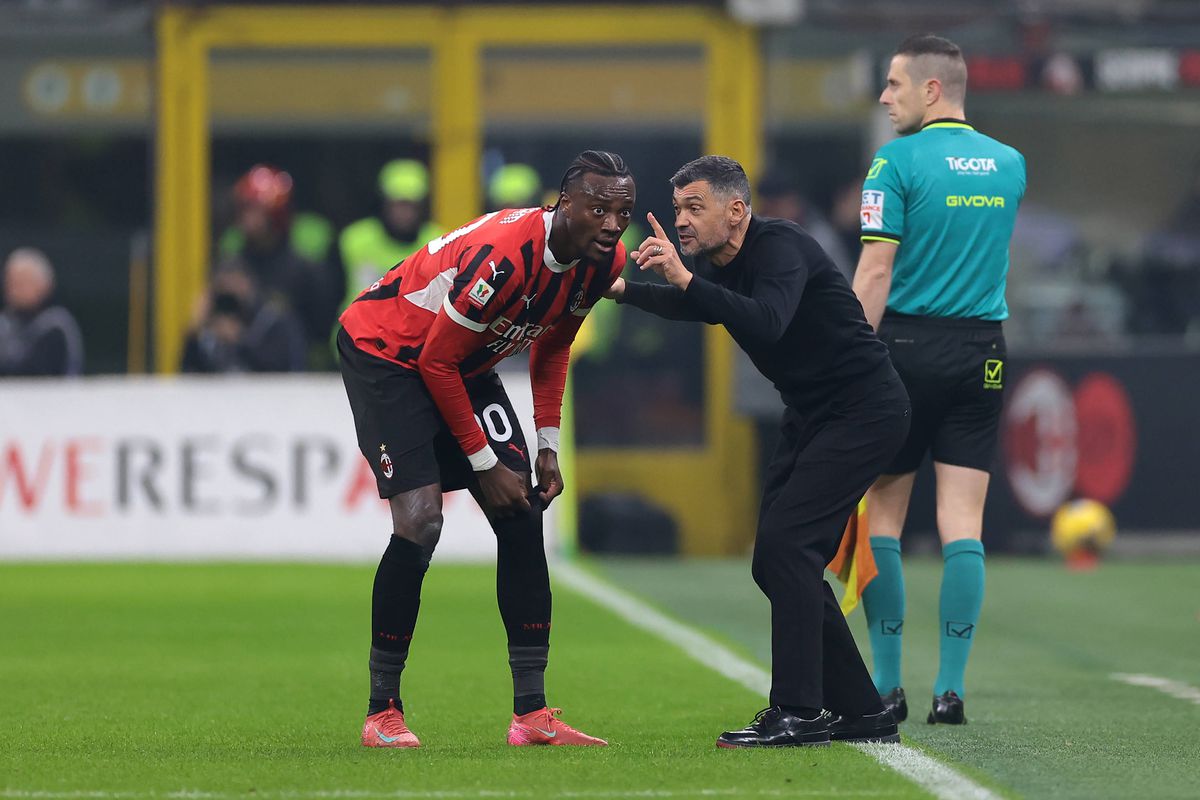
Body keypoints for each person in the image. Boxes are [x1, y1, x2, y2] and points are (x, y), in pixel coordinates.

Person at [608, 155, 910, 748]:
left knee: (787, 547)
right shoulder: (718, 262)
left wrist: (685, 279)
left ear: (738, 211)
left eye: (695, 208)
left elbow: (767, 321)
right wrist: (621, 291)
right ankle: (861, 711)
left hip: (865, 409)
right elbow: (698, 305)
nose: (683, 222)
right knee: (775, 560)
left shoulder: (780, 247)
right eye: (678, 210)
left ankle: (798, 709)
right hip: (815, 415)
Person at [337, 150, 633, 749]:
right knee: (420, 521)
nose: (611, 224)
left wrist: (547, 444)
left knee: (523, 511)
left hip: (461, 359)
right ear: (564, 203)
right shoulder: (505, 259)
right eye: (599, 209)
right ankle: (382, 711)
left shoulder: (603, 262)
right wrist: (483, 462)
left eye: (623, 211)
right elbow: (434, 361)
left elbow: (552, 348)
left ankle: (531, 714)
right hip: (388, 353)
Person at [851, 34, 1026, 726]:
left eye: (894, 84)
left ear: (931, 89)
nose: (885, 97)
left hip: (903, 348)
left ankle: (886, 687)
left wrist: (853, 360)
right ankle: (950, 691)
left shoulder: (893, 161)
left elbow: (874, 271)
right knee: (963, 524)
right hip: (982, 351)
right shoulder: (1011, 165)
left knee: (884, 516)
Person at [220, 164, 339, 366]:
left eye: (254, 210)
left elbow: (319, 330)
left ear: (275, 215)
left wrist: (254, 298)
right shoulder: (232, 265)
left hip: (291, 376)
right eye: (243, 209)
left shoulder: (303, 270)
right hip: (237, 374)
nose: (245, 218)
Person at [338, 159, 442, 312]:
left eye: (411, 205)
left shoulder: (438, 242)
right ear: (384, 203)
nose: (404, 213)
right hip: (355, 330)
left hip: (412, 333)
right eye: (398, 204)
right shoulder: (354, 239)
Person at [181, 261, 307, 374]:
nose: (230, 300)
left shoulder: (272, 321)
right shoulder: (209, 330)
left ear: (248, 285)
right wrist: (195, 332)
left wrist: (240, 341)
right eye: (223, 290)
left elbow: (279, 370)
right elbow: (189, 376)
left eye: (234, 290)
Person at [0, 247, 83, 376]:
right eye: (11, 281)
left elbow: (33, 371)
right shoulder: (5, 324)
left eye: (23, 281)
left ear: (44, 284)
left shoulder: (56, 325)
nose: (14, 288)